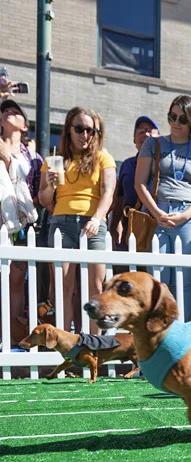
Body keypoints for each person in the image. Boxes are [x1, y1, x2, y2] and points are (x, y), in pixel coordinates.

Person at [134, 95, 191, 321]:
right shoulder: (153, 144)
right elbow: (139, 183)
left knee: (184, 281)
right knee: (158, 279)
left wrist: (185, 216)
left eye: (183, 118)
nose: (177, 122)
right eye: (172, 116)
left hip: (187, 216)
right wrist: (156, 213)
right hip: (157, 212)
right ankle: (158, 333)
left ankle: (180, 332)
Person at [39, 107, 115, 333]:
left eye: (91, 131)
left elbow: (108, 192)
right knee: (63, 288)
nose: (85, 135)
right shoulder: (54, 160)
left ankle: (94, 346)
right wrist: (51, 185)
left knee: (96, 287)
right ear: (69, 130)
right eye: (80, 129)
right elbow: (43, 198)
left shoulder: (103, 157)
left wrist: (97, 218)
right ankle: (65, 347)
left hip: (93, 223)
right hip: (62, 223)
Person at [0, 99, 41, 321]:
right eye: (5, 110)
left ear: (25, 125)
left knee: (16, 280)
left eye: (15, 111)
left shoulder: (33, 157)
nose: (8, 112)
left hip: (23, 225)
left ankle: (13, 331)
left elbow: (37, 191)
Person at [110, 116, 159, 252]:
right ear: (134, 140)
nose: (145, 134)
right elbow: (119, 200)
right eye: (140, 131)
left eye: (150, 130)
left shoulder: (163, 165)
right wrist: (114, 228)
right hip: (130, 228)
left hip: (157, 226)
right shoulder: (127, 164)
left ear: (159, 138)